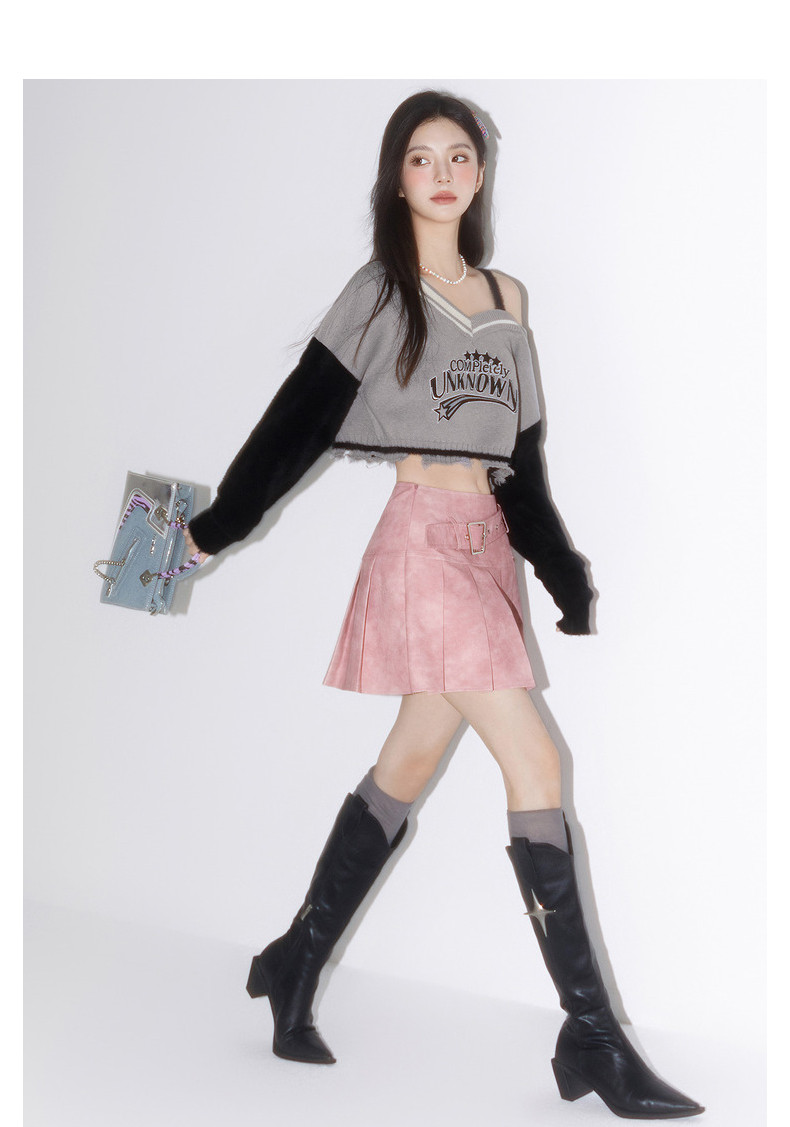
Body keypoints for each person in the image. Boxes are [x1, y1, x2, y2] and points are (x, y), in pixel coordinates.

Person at [184, 91, 703, 1120]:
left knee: (409, 764)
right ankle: (593, 1035)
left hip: (487, 550)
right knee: (537, 761)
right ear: (396, 177)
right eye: (420, 157)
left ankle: (295, 958)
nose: (441, 173)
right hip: (421, 545)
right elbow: (296, 419)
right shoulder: (379, 291)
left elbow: (523, 459)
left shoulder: (507, 295)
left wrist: (559, 570)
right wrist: (217, 525)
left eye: (458, 155)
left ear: (480, 172)